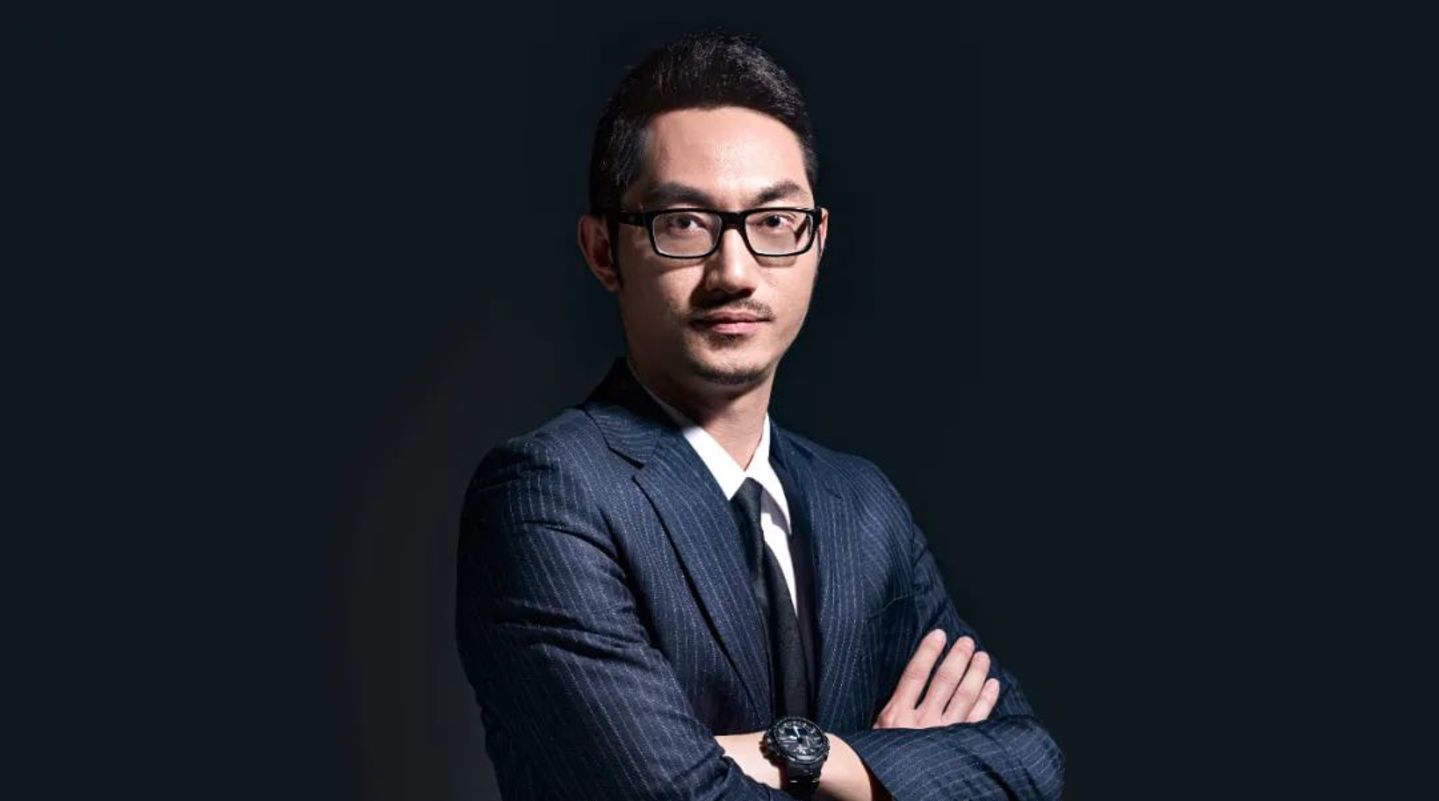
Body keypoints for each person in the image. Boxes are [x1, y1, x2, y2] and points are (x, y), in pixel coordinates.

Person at [455, 31, 1063, 801]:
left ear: (817, 241)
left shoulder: (861, 505)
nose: (734, 272)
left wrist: (806, 755)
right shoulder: (547, 493)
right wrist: (888, 774)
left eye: (775, 222)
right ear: (604, 250)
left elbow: (1027, 764)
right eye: (683, 222)